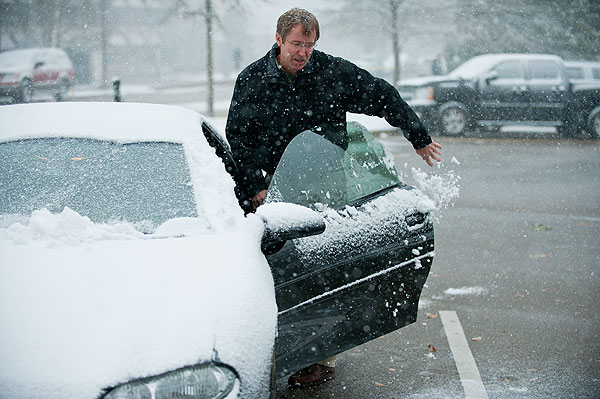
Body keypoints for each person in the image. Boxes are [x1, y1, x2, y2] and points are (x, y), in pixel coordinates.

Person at [226, 7, 442, 385]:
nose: (303, 53)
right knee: (284, 270)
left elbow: (382, 96)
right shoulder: (253, 80)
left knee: (327, 271)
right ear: (278, 40)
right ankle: (281, 343)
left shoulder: (331, 72)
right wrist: (255, 186)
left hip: (329, 186)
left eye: (309, 45)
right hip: (278, 188)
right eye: (296, 44)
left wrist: (418, 136)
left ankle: (321, 356)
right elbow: (238, 137)